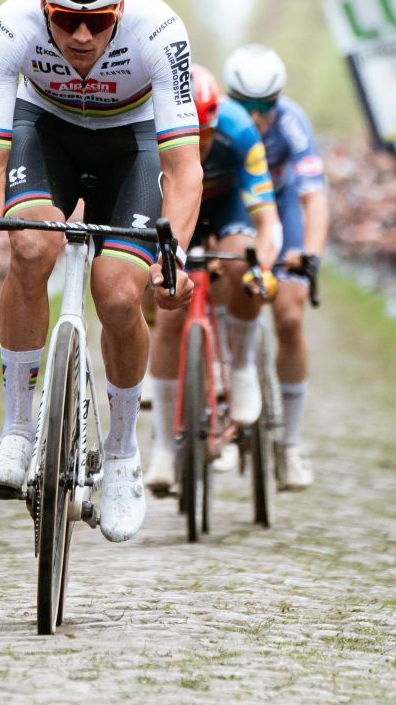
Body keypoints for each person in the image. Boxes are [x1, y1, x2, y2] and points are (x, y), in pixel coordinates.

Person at [0, 0, 200, 543]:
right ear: (43, 9)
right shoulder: (8, 29)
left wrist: (175, 260)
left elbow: (183, 169)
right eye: (64, 20)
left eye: (97, 22)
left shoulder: (159, 30)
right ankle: (17, 430)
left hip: (133, 143)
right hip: (47, 131)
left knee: (118, 296)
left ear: (121, 9)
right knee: (31, 247)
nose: (81, 37)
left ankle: (120, 455)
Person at [144, 66, 278, 495]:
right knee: (166, 315)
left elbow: (268, 220)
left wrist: (263, 267)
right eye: (190, 136)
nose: (198, 146)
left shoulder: (239, 131)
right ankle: (164, 446)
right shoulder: (147, 133)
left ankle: (239, 369)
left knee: (242, 259)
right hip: (173, 209)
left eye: (205, 137)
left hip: (226, 210)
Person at [223, 42, 327, 490]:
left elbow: (313, 197)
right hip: (233, 203)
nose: (259, 115)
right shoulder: (219, 121)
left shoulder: (292, 123)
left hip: (279, 208)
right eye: (247, 105)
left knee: (289, 314)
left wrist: (310, 255)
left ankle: (291, 444)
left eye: (267, 105)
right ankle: (223, 389)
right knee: (221, 284)